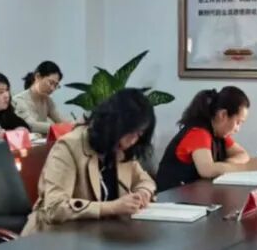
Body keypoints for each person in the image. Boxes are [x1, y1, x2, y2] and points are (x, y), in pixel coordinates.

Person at [22, 89, 156, 235]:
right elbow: (55, 208)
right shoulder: (69, 146)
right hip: (55, 238)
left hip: (98, 235)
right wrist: (112, 207)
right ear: (114, 125)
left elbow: (145, 180)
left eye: (139, 134)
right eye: (131, 132)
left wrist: (143, 192)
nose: (134, 140)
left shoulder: (121, 150)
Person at [155, 86, 257, 192]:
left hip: (194, 193)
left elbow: (242, 154)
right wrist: (246, 167)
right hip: (171, 195)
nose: (238, 129)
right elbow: (207, 170)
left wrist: (227, 165)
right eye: (238, 122)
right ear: (223, 115)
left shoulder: (219, 134)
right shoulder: (199, 132)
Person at [12, 61, 71, 135]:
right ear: (38, 77)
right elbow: (31, 125)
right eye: (51, 83)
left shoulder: (47, 100)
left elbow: (61, 120)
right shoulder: (19, 100)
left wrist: (76, 124)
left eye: (56, 85)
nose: (52, 88)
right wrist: (59, 128)